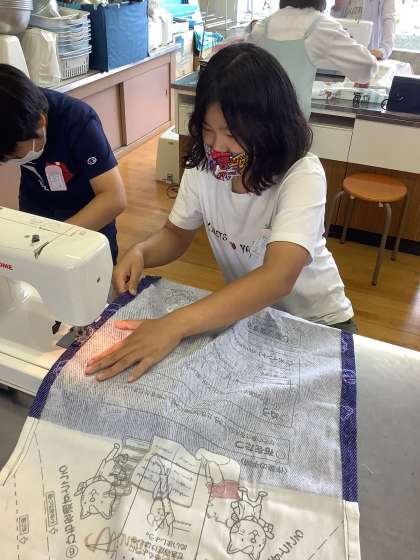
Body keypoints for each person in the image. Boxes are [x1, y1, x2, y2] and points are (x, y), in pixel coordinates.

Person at [85, 43, 357, 384]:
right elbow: (176, 234)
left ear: (269, 126)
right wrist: (141, 251)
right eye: (208, 130)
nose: (218, 147)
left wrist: (174, 324)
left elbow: (278, 276)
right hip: (250, 318)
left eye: (231, 132)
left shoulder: (301, 174)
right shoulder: (204, 166)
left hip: (318, 324)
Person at [0, 64, 127, 264]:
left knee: (91, 272)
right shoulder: (13, 113)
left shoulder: (78, 120)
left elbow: (114, 198)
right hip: (36, 203)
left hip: (88, 210)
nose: (12, 161)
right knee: (36, 269)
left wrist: (59, 237)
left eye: (14, 155)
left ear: (41, 123)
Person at [248, 0, 378, 119]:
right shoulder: (322, 26)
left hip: (254, 121)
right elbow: (367, 65)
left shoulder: (261, 27)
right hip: (291, 125)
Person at [331, 0, 396, 60]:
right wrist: (338, 7)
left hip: (368, 55)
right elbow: (338, 21)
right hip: (344, 52)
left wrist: (384, 50)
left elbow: (389, 20)